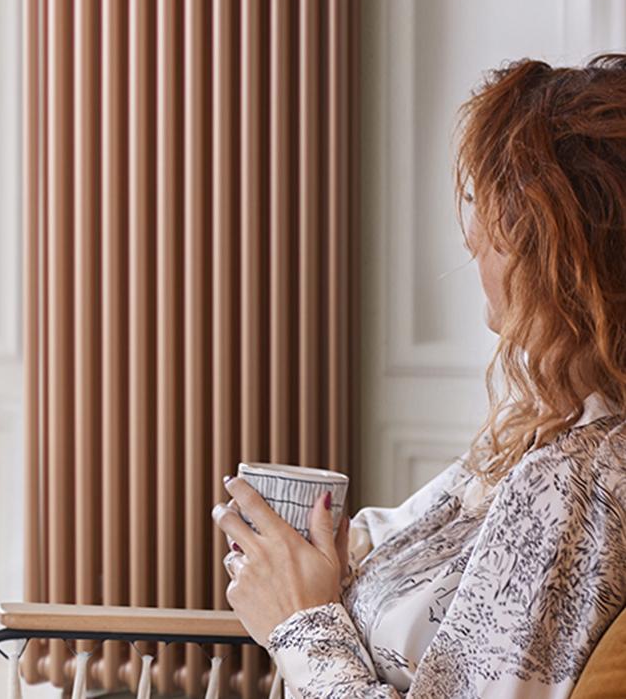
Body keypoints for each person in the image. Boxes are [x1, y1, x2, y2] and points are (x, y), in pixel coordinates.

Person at [212, 55, 626, 697]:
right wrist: (317, 557)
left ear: (562, 259)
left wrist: (301, 627)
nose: (472, 236)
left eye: (496, 214)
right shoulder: (556, 422)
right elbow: (399, 536)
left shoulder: (578, 485)